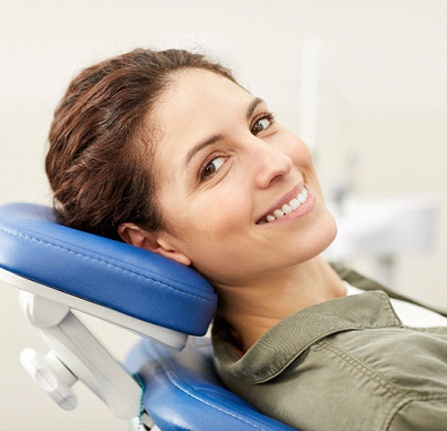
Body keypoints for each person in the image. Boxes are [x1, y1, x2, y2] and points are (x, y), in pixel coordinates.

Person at [45, 48, 447, 430]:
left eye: (260, 124)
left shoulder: (325, 299)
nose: (279, 162)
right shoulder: (400, 400)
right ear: (155, 244)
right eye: (213, 166)